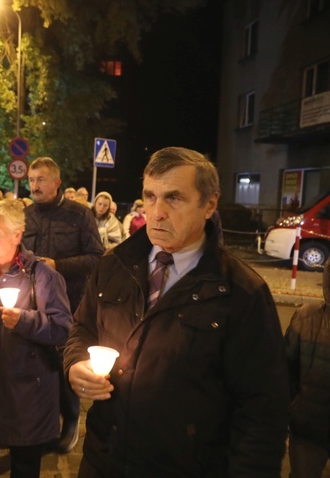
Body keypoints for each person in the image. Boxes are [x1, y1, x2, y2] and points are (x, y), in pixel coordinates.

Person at [65, 147, 290, 476]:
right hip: (104, 460)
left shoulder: (242, 293)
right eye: (150, 196)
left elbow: (262, 412)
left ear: (209, 204)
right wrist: (74, 365)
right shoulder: (114, 265)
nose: (156, 213)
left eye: (174, 198)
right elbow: (82, 330)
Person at [0, 200, 71, 476]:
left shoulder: (43, 275)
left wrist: (25, 320)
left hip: (26, 392)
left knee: (24, 466)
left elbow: (62, 328)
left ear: (17, 234)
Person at [22, 157, 104, 453]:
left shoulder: (79, 215)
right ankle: (43, 426)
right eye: (32, 180)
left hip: (70, 303)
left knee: (65, 363)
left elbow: (96, 256)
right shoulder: (25, 214)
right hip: (30, 304)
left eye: (41, 180)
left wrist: (58, 264)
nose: (34, 186)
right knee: (38, 367)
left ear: (57, 182)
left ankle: (70, 423)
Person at [285, 258, 330, 477]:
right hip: (307, 428)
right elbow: (285, 372)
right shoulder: (306, 316)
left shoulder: (306, 316)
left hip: (305, 427)